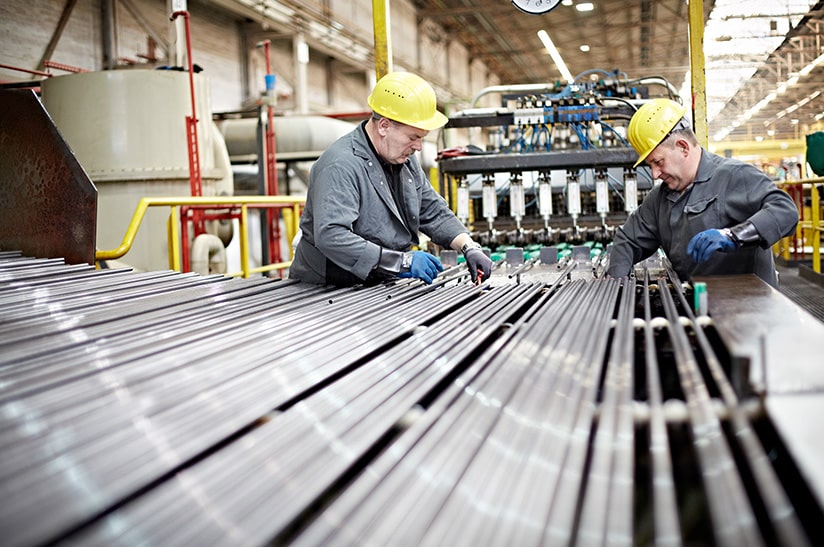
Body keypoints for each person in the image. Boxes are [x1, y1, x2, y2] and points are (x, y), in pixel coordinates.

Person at [289, 71, 493, 286]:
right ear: (384, 126)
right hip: (328, 287)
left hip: (375, 282)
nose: (419, 146)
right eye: (413, 137)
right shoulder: (340, 165)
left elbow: (431, 210)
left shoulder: (403, 160)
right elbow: (331, 235)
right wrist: (402, 262)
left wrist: (469, 246)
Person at [607, 98, 798, 288]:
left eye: (658, 162)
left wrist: (734, 236)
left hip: (748, 306)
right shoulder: (659, 199)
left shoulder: (733, 176)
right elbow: (627, 241)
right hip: (696, 306)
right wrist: (615, 287)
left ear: (683, 147)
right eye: (650, 165)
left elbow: (785, 211)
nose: (655, 174)